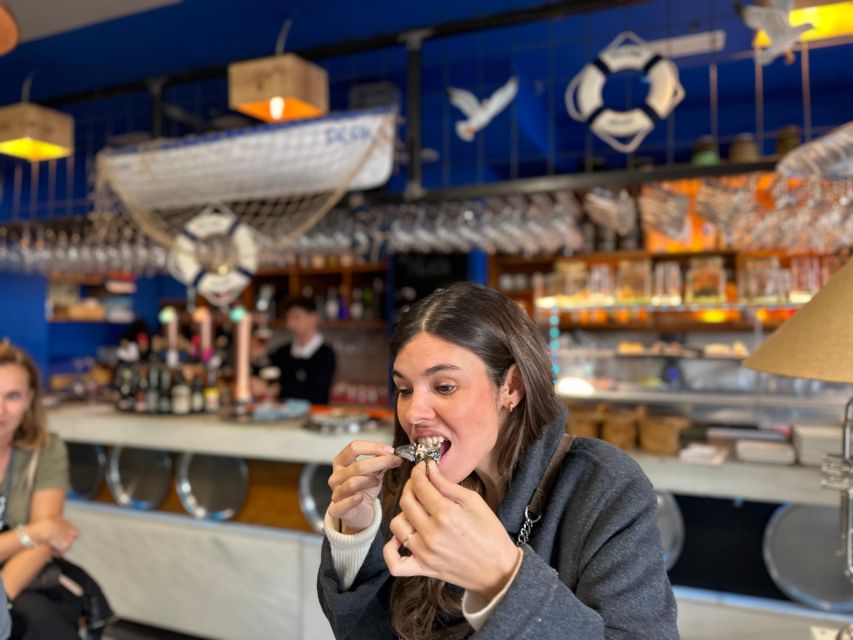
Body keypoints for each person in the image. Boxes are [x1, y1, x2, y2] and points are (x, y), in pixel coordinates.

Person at [317, 282, 678, 639]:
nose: (413, 413)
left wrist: (502, 578)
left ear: (512, 387)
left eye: (444, 387)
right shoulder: (403, 483)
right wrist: (356, 535)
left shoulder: (606, 488)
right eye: (405, 390)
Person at [0, 342, 80, 639]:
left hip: (20, 574)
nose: (1, 410)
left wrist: (1, 599)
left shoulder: (45, 448)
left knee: (42, 620)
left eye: (13, 396)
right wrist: (34, 531)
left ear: (30, 399)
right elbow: (44, 531)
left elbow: (48, 541)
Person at [269, 297, 336, 405]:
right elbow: (266, 372)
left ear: (313, 318)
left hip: (314, 416)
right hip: (282, 416)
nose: (289, 324)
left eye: (296, 318)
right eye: (288, 318)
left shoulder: (326, 354)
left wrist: (279, 390)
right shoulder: (282, 352)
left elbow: (318, 395)